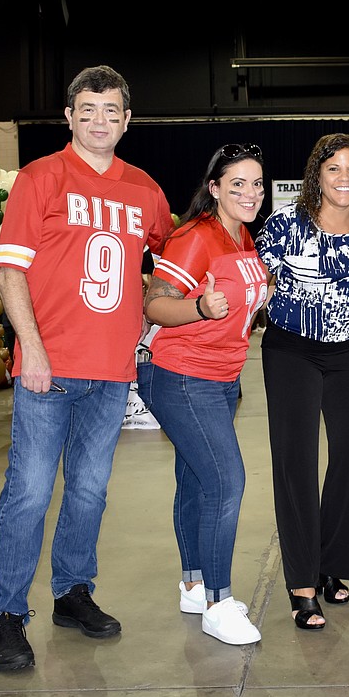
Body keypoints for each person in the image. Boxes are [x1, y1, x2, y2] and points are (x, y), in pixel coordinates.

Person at [0, 65, 174, 672]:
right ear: (69, 117)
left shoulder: (144, 189)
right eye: (87, 110)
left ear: (126, 120)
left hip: (112, 371)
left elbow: (170, 255)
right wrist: (30, 348)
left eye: (111, 111)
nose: (99, 121)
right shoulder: (40, 178)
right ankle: (7, 614)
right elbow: (10, 269)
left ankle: (72, 592)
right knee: (31, 493)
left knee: (89, 492)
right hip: (49, 367)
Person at [137, 143, 268, 646]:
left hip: (222, 378)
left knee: (195, 480)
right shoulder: (195, 237)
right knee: (226, 482)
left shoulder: (241, 234)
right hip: (182, 376)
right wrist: (201, 308)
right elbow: (155, 306)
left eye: (257, 184)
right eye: (237, 184)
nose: (250, 193)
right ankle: (218, 600)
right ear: (214, 188)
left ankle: (193, 582)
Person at [255, 133, 349, 631]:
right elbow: (253, 282)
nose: (344, 178)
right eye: (334, 169)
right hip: (292, 352)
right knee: (296, 463)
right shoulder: (285, 224)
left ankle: (332, 563)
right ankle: (302, 582)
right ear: (317, 175)